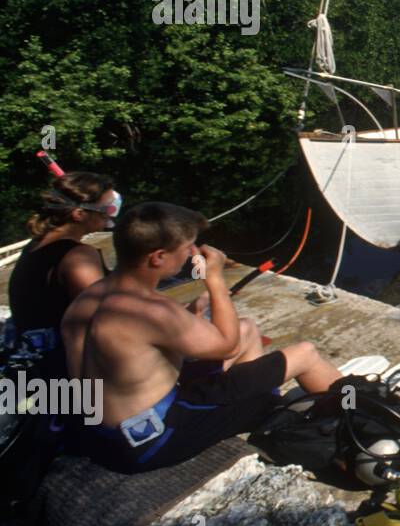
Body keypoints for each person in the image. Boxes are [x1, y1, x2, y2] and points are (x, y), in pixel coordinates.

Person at [60, 201, 341, 472]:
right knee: (304, 354)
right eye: (186, 247)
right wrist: (215, 279)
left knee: (246, 328)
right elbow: (226, 347)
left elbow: (137, 351)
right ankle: (363, 412)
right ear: (158, 256)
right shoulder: (153, 311)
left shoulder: (88, 298)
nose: (192, 253)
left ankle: (256, 404)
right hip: (149, 441)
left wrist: (190, 313)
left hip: (100, 433)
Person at [5, 172, 119, 380]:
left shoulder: (35, 246)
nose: (110, 215)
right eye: (107, 209)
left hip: (36, 369)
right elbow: (103, 319)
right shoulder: (78, 256)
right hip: (66, 375)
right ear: (79, 214)